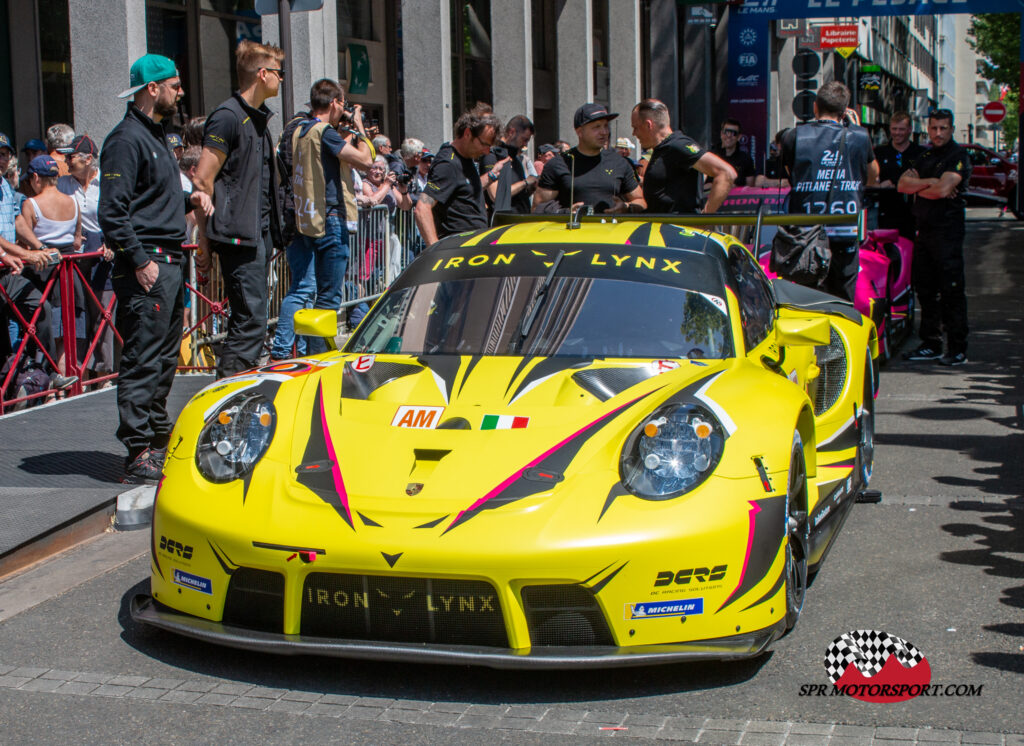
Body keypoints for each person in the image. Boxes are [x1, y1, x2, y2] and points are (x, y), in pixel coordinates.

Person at [98, 53, 213, 483]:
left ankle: (154, 439)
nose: (180, 92)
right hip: (148, 263)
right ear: (153, 88)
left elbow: (149, 202)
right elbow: (113, 211)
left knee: (164, 358)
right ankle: (138, 450)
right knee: (144, 358)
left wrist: (189, 200)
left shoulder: (157, 136)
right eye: (175, 85)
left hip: (166, 261)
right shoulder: (126, 139)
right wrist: (140, 260)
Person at [192, 40, 285, 378]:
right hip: (237, 236)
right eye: (278, 73)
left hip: (257, 234)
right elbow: (202, 180)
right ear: (262, 74)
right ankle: (226, 395)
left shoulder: (257, 120)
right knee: (249, 321)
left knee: (253, 320)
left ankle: (235, 388)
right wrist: (204, 239)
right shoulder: (228, 117)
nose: (282, 79)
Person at [269, 78, 372, 361]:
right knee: (328, 297)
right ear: (335, 103)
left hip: (301, 217)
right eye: (342, 104)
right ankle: (318, 357)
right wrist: (359, 127)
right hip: (329, 217)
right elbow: (365, 160)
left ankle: (285, 351)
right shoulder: (324, 131)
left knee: (302, 287)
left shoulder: (294, 128)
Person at [780, 81, 878, 301]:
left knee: (807, 301)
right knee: (841, 302)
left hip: (804, 238)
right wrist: (855, 129)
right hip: (844, 234)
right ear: (844, 112)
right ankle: (837, 336)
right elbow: (872, 177)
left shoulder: (793, 137)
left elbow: (792, 174)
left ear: (815, 107)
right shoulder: (860, 137)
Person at [898, 109, 971, 366]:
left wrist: (930, 187)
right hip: (924, 232)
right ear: (928, 129)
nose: (938, 133)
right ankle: (931, 343)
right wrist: (932, 183)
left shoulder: (959, 156)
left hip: (948, 233)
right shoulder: (925, 155)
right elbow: (902, 185)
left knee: (951, 291)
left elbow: (942, 190)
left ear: (951, 129)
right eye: (934, 128)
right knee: (925, 290)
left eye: (943, 128)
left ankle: (957, 348)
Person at [59, 134, 116, 377]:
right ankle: (81, 372)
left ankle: (105, 372)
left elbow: (117, 214)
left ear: (88, 159)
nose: (66, 161)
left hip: (104, 252)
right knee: (78, 312)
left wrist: (112, 241)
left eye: (70, 157)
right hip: (74, 255)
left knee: (103, 313)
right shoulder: (63, 184)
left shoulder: (106, 182)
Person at [414, 108, 505, 245]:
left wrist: (491, 175)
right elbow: (422, 208)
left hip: (476, 244)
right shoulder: (448, 163)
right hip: (458, 249)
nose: (487, 152)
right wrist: (436, 251)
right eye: (484, 144)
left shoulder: (466, 158)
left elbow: (464, 188)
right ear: (468, 133)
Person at [534, 103, 645, 214]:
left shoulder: (619, 163)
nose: (604, 132)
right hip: (571, 230)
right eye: (597, 127)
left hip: (609, 230)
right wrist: (566, 213)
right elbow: (536, 208)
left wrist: (627, 207)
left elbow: (641, 201)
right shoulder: (558, 164)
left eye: (606, 126)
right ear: (580, 132)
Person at [631, 98, 736, 214]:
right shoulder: (661, 149)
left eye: (636, 127)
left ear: (648, 125)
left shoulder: (678, 145)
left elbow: (726, 173)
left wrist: (705, 217)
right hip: (660, 228)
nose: (634, 133)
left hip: (676, 229)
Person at [874, 112, 925, 239]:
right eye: (894, 129)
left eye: (901, 129)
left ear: (909, 130)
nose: (897, 133)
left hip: (912, 215)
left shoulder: (920, 154)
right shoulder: (879, 152)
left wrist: (893, 182)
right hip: (886, 214)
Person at [481, 115, 536, 214]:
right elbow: (496, 195)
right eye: (524, 139)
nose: (525, 144)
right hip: (504, 224)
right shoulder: (491, 156)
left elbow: (515, 195)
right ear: (511, 132)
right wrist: (525, 182)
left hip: (520, 221)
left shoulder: (516, 159)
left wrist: (530, 188)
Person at [711, 118, 756, 187]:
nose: (729, 136)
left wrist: (735, 188)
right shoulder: (711, 156)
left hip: (737, 197)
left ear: (739, 137)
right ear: (721, 134)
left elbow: (750, 188)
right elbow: (702, 186)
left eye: (733, 133)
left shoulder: (746, 159)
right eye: (726, 132)